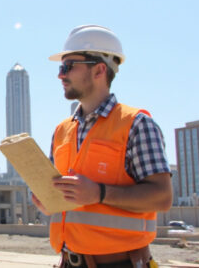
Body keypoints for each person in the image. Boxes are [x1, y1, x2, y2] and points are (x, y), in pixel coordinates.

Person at [33, 25, 173, 268]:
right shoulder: (61, 131)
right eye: (60, 68)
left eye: (68, 67)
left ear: (99, 70)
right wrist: (48, 201)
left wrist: (99, 193)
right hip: (69, 262)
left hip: (122, 263)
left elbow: (162, 197)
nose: (60, 75)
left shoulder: (137, 125)